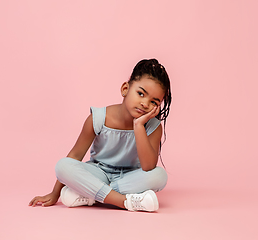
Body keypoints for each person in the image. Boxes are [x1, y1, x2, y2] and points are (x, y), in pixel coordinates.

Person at [29, 59, 172, 212]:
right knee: (62, 166)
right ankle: (124, 201)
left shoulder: (153, 127)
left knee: (160, 176)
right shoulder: (98, 118)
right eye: (141, 93)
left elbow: (148, 166)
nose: (145, 103)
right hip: (99, 172)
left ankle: (92, 195)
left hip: (130, 177)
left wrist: (138, 126)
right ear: (125, 89)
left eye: (154, 102)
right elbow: (75, 156)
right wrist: (55, 193)